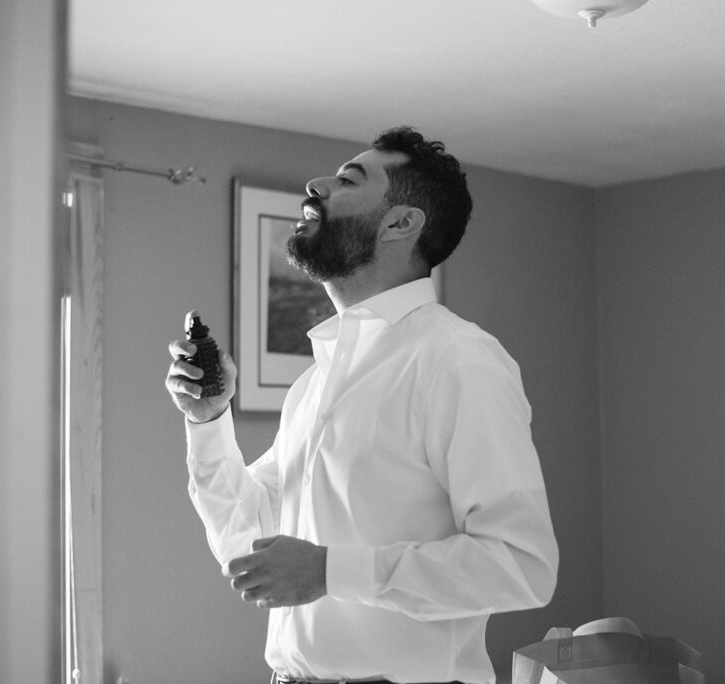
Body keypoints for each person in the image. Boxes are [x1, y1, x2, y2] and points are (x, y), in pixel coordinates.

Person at [165, 126, 559, 684]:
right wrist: (207, 422)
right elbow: (246, 545)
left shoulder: (457, 361)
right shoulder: (313, 385)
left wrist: (331, 571)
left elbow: (522, 566)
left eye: (349, 179)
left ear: (402, 223)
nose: (316, 184)